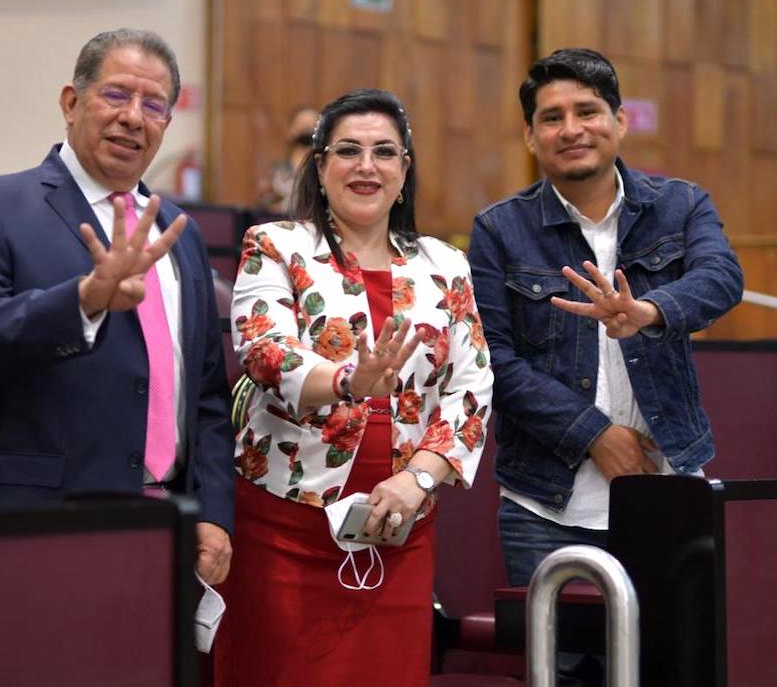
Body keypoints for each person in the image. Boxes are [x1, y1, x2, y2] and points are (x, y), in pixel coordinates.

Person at [468, 48, 744, 685]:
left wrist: (648, 310)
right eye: (552, 117)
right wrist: (594, 434)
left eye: (587, 111)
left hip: (669, 488)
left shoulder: (681, 205)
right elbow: (493, 361)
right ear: (530, 136)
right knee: (562, 674)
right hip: (544, 507)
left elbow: (722, 277)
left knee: (677, 667)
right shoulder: (499, 230)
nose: (572, 128)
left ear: (619, 121)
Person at [0, 28, 235, 585]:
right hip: (37, 528)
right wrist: (84, 302)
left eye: (153, 105)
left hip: (167, 531)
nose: (133, 117)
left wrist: (214, 512)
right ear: (71, 103)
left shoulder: (179, 232)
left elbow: (209, 395)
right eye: (116, 95)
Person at [214, 88, 493, 686]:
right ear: (320, 166)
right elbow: (265, 351)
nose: (367, 166)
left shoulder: (447, 266)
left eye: (384, 152)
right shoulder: (276, 245)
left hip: (400, 528)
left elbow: (471, 388)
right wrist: (347, 380)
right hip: (283, 527)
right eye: (348, 150)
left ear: (404, 170)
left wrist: (419, 479)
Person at [256, 105, 320, 214]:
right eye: (303, 126)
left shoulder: (324, 170)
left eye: (312, 126)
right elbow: (265, 204)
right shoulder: (274, 171)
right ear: (290, 130)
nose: (307, 131)